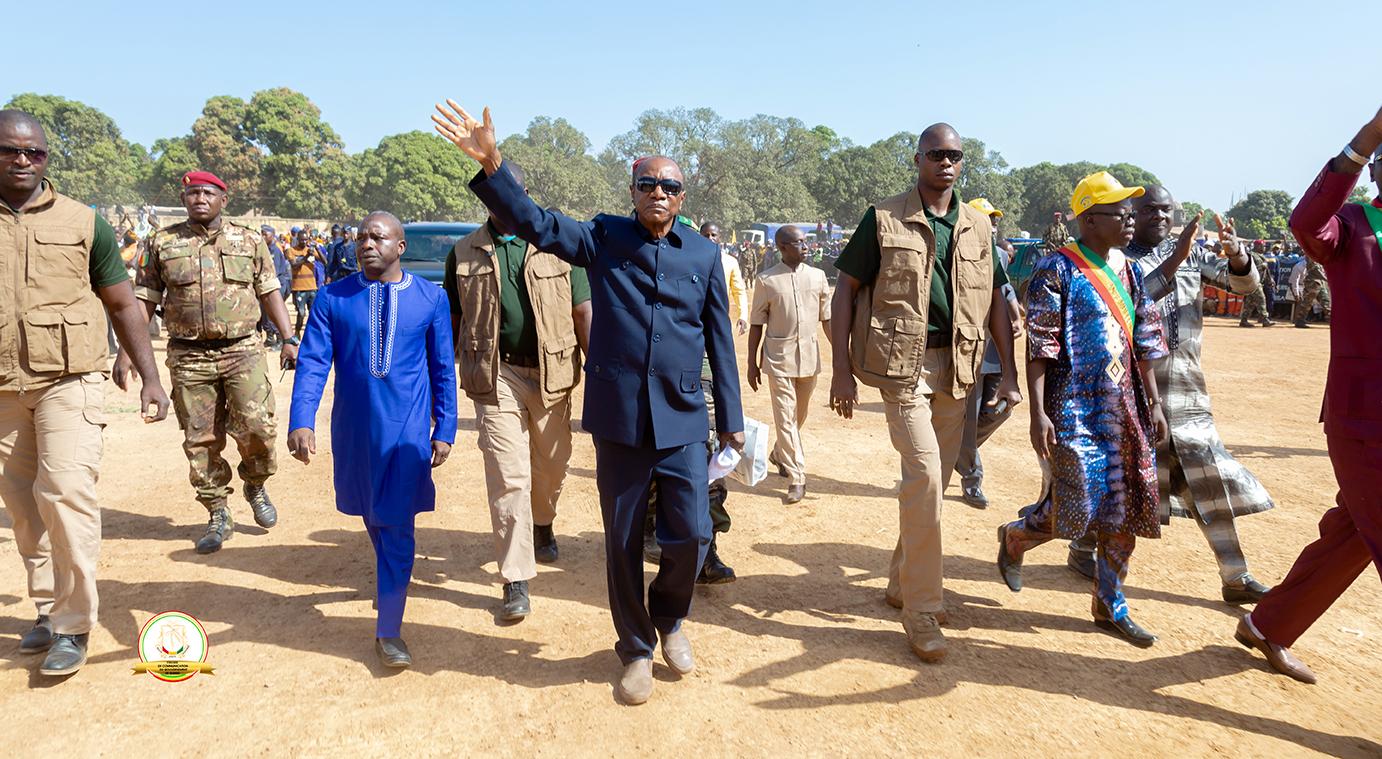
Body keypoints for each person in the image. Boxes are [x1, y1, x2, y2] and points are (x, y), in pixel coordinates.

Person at [435, 100, 743, 705]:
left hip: (683, 416)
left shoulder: (703, 256)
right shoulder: (604, 237)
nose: (658, 192)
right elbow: (535, 222)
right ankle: (636, 649)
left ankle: (670, 619)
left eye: (669, 186)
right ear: (633, 192)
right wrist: (492, 163)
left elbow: (720, 340)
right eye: (647, 183)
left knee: (690, 534)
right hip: (620, 418)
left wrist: (730, 418)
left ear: (682, 197)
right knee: (622, 541)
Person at [829, 123, 1021, 663]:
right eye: (936, 154)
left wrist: (1008, 373)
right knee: (927, 475)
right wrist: (841, 370)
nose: (946, 162)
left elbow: (997, 301)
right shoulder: (883, 217)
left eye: (955, 155)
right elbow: (845, 290)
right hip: (903, 368)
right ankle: (921, 609)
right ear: (917, 160)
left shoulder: (978, 226)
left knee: (932, 485)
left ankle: (900, 580)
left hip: (958, 366)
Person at [0, 110, 171, 676]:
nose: (23, 160)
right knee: (23, 506)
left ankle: (72, 626)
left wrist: (150, 376)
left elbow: (122, 302)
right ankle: (47, 609)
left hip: (69, 380)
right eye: (10, 150)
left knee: (67, 492)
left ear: (46, 158)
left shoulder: (83, 222)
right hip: (3, 389)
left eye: (34, 152)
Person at [1064, 187, 1275, 605]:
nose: (1160, 216)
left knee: (1207, 479)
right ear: (1131, 214)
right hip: (1134, 391)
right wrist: (1176, 257)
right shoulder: (1115, 261)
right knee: (1121, 479)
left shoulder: (1193, 256)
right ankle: (1080, 547)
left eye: (1166, 210)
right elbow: (1131, 302)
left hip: (1189, 391)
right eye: (1149, 210)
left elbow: (1244, 285)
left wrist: (1236, 254)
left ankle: (1235, 575)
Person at [1235, 106, 1382, 685]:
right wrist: (1365, 139)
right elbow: (1306, 221)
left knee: (1353, 532)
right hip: (1365, 418)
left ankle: (1268, 624)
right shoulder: (1351, 227)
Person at [996, 172, 1169, 647]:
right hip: (1072, 408)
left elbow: (1144, 342)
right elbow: (1040, 346)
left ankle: (1109, 605)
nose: (1131, 222)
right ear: (1089, 220)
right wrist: (1038, 413)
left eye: (1132, 214)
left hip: (1126, 408)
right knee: (1077, 502)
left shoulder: (1131, 272)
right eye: (1120, 214)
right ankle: (1017, 537)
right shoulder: (1057, 269)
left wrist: (1154, 402)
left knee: (1125, 507)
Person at [288, 211, 457, 669]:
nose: (366, 243)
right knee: (373, 515)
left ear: (400, 247)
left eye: (378, 237)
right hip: (355, 432)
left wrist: (445, 427)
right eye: (362, 236)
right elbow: (313, 362)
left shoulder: (430, 298)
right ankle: (391, 581)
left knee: (397, 524)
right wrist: (302, 419)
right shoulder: (333, 298)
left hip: (406, 434)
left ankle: (389, 630)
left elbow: (443, 367)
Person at [444, 162, 592, 621]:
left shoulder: (558, 244)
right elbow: (452, 320)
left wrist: (602, 372)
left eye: (514, 194)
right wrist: (440, 381)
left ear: (524, 196)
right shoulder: (464, 252)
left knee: (551, 466)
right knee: (508, 475)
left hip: (553, 374)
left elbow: (582, 311)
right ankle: (516, 577)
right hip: (495, 375)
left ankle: (542, 521)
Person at [122, 171, 299, 554]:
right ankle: (218, 510)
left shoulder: (248, 240)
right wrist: (127, 351)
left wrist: (288, 339)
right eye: (192, 193)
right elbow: (145, 298)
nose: (199, 198)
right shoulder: (162, 242)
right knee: (200, 439)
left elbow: (269, 290)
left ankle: (255, 483)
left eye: (207, 193)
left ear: (223, 199)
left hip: (243, 350)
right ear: (183, 199)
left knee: (258, 428)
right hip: (189, 355)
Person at [643, 219, 743, 583]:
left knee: (709, 468)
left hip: (701, 386)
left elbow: (722, 345)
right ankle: (650, 531)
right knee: (653, 467)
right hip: (652, 387)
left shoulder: (705, 272)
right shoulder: (642, 276)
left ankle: (707, 551)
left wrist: (731, 415)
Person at [747, 224, 831, 504]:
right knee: (785, 417)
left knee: (798, 416)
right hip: (778, 358)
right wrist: (752, 363)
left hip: (809, 358)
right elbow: (757, 324)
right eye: (798, 242)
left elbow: (827, 320)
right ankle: (797, 476)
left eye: (806, 241)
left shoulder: (818, 277)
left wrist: (843, 357)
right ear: (782, 247)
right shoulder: (766, 280)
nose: (806, 246)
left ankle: (779, 453)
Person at [954, 199, 1022, 509]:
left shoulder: (999, 255)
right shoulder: (958, 251)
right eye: (987, 219)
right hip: (971, 349)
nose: (993, 225)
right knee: (968, 420)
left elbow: (1005, 291)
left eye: (994, 220)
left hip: (996, 350)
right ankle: (972, 478)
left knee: (1001, 410)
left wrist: (1016, 317)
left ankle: (955, 451)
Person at [259, 224, 292, 349]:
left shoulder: (275, 251)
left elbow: (274, 273)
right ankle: (270, 338)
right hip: (267, 285)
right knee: (265, 313)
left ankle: (280, 339)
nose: (262, 236)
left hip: (277, 285)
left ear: (272, 235)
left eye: (265, 234)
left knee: (274, 312)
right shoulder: (264, 249)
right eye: (261, 233)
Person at [289, 228, 326, 336]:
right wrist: (306, 257)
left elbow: (325, 261)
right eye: (302, 240)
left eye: (306, 240)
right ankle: (297, 331)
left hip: (312, 287)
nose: (304, 242)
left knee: (313, 313)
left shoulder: (311, 250)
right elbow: (294, 265)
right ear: (298, 239)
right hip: (298, 288)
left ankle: (312, 334)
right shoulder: (291, 251)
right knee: (301, 313)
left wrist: (317, 248)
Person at [1293, 257, 1331, 327]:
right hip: (1312, 282)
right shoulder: (1311, 256)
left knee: (1326, 301)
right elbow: (1316, 270)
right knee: (1307, 302)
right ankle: (1300, 320)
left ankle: (1332, 320)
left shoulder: (1319, 257)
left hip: (1321, 282)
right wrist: (1327, 278)